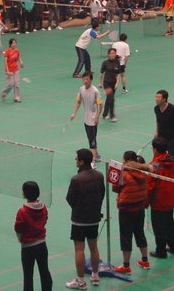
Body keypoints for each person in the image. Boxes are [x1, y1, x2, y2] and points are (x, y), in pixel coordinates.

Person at [65, 148, 105, 289]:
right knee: (93, 247)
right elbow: (102, 193)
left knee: (79, 249)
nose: (75, 159)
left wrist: (78, 209)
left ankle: (81, 281)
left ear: (82, 162)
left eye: (77, 158)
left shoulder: (76, 179)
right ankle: (95, 276)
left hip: (79, 220)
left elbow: (70, 199)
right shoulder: (99, 175)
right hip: (94, 218)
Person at [113, 150, 151, 275]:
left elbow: (115, 188)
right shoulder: (143, 173)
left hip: (126, 210)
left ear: (126, 161)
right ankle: (145, 260)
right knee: (140, 233)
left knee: (126, 237)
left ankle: (126, 266)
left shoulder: (124, 175)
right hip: (140, 208)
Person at [14, 181, 53, 291]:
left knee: (28, 275)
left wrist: (21, 239)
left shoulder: (22, 211)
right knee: (44, 271)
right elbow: (45, 219)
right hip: (42, 245)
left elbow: (18, 228)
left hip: (28, 248)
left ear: (25, 194)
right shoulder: (43, 207)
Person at [147, 137, 174, 259]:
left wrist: (146, 202)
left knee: (158, 227)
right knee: (169, 224)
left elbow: (150, 187)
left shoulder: (154, 166)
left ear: (155, 150)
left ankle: (161, 251)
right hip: (171, 199)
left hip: (158, 201)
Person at [70, 72, 103, 163]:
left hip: (93, 120)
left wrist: (97, 117)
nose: (85, 81)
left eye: (87, 79)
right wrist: (74, 113)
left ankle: (92, 161)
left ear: (91, 80)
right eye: (84, 79)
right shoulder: (81, 89)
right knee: (91, 138)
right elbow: (79, 101)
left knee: (92, 141)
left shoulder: (95, 91)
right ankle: (96, 155)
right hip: (86, 119)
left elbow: (101, 105)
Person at [154, 89, 174, 161]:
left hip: (171, 137)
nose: (156, 99)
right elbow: (158, 120)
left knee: (172, 157)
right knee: (158, 155)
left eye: (158, 97)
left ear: (164, 99)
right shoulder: (156, 108)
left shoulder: (172, 109)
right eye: (156, 97)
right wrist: (156, 131)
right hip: (161, 136)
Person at [98, 48, 120, 122]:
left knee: (109, 99)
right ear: (108, 54)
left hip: (113, 83)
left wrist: (117, 83)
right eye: (111, 53)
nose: (112, 55)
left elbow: (118, 74)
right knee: (111, 99)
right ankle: (112, 115)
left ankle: (104, 114)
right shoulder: (105, 63)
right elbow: (101, 73)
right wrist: (100, 82)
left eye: (114, 53)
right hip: (106, 83)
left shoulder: (117, 63)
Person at [1, 38, 24, 103]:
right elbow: (5, 61)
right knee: (10, 84)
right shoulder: (7, 51)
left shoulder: (17, 50)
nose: (14, 44)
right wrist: (7, 70)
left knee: (17, 84)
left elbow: (18, 57)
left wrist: (21, 62)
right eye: (13, 43)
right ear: (10, 44)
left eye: (15, 43)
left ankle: (17, 98)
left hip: (16, 69)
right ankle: (4, 93)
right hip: (9, 70)